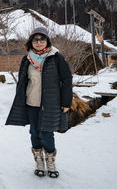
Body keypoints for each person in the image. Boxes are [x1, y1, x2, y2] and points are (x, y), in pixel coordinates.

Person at [5, 27, 73, 178]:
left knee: (46, 133)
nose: (39, 42)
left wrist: (67, 101)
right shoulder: (27, 59)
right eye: (35, 39)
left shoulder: (56, 57)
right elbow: (23, 81)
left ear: (47, 41)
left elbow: (67, 80)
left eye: (42, 39)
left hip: (51, 103)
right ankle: (39, 162)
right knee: (34, 133)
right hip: (31, 102)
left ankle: (50, 162)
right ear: (31, 42)